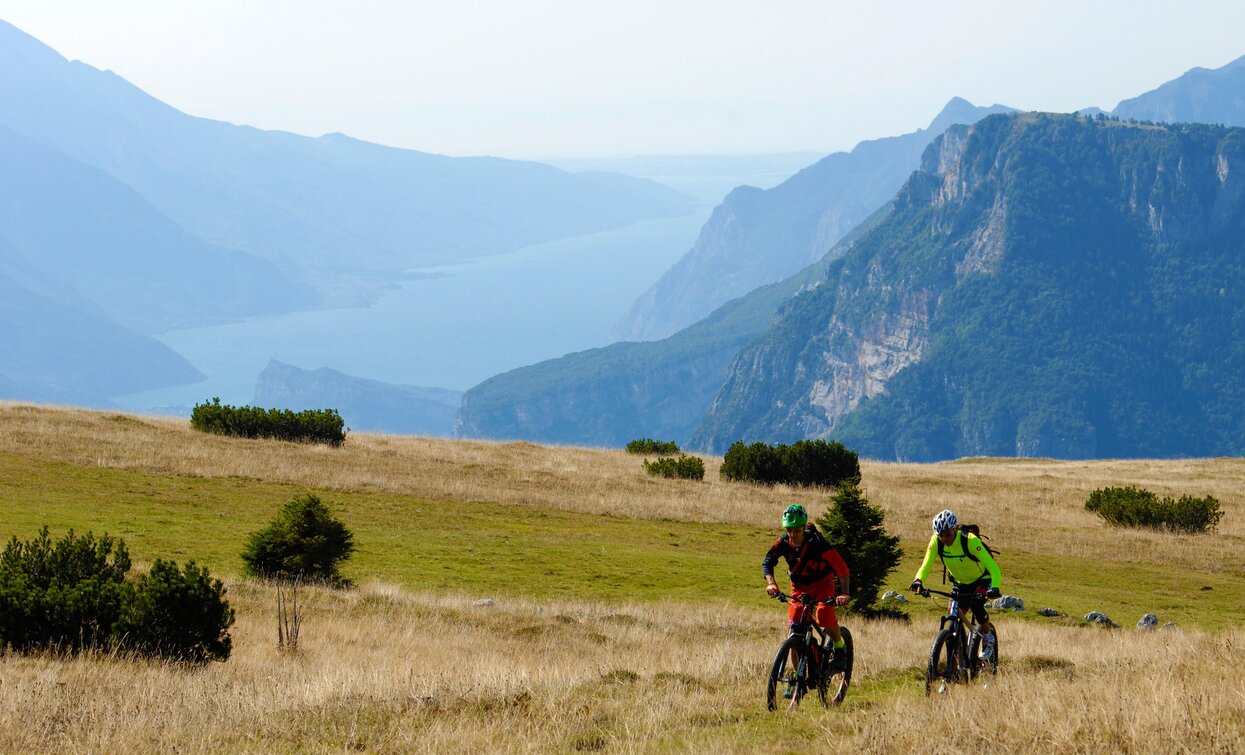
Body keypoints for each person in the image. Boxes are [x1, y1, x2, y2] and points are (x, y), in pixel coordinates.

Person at [763, 503, 851, 672]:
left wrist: (844, 593)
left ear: (804, 528)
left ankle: (840, 647)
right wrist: (771, 583)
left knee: (823, 614)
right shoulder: (782, 542)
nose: (793, 534)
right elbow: (768, 561)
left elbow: (842, 569)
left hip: (822, 584)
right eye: (789, 530)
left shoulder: (817, 542)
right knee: (794, 629)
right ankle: (798, 678)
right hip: (799, 587)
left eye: (797, 530)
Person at [908, 509, 1002, 665]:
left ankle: (988, 636)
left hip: (982, 580)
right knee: (952, 622)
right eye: (940, 535)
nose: (944, 539)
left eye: (947, 534)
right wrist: (918, 580)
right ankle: (956, 664)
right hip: (959, 583)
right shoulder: (936, 542)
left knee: (976, 604)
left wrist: (995, 588)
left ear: (955, 529)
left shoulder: (970, 541)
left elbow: (993, 567)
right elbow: (926, 564)